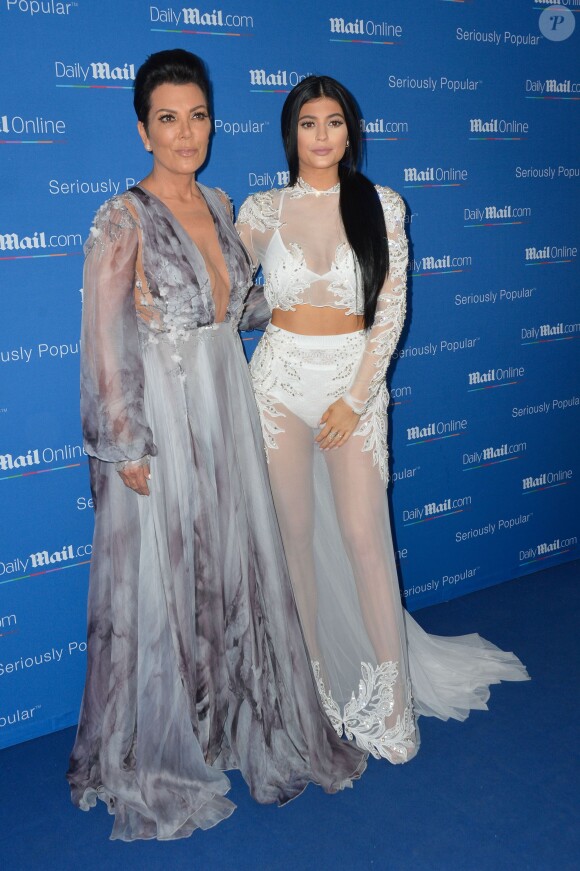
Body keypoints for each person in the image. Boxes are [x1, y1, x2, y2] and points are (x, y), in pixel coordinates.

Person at [66, 52, 366, 842]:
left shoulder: (223, 201)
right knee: (164, 579)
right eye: (168, 117)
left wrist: (317, 293)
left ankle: (229, 722)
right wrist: (123, 440)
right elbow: (103, 343)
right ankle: (163, 745)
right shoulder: (121, 218)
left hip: (229, 407)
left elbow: (240, 306)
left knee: (232, 566)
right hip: (161, 422)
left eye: (197, 115)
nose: (185, 132)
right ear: (142, 129)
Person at [236, 75, 530, 764]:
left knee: (366, 537)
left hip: (351, 385)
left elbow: (390, 310)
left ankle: (391, 704)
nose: (321, 135)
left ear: (351, 130)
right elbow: (225, 290)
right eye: (308, 123)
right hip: (276, 383)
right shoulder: (260, 209)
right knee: (295, 543)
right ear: (291, 133)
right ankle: (313, 691)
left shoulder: (381, 204)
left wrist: (355, 398)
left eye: (333, 121)